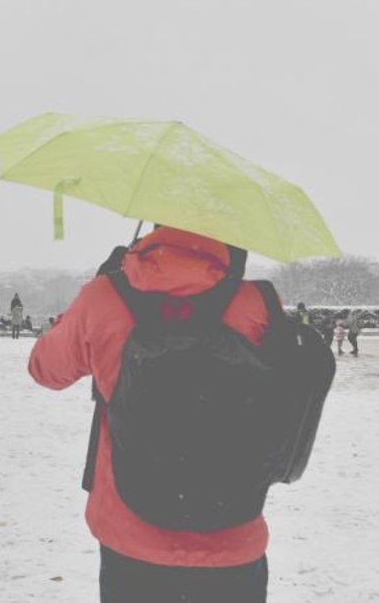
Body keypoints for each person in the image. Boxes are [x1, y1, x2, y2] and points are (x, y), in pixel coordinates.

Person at [28, 226, 277, 602]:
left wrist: (89, 298)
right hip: (232, 531)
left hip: (131, 533)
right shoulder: (256, 303)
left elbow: (45, 369)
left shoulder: (104, 296)